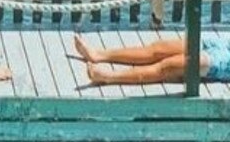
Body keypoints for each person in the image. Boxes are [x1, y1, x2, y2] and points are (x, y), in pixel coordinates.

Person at [73, 32, 228, 85]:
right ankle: (99, 54)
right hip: (222, 44)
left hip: (223, 62)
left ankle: (108, 77)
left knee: (167, 66)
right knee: (158, 49)